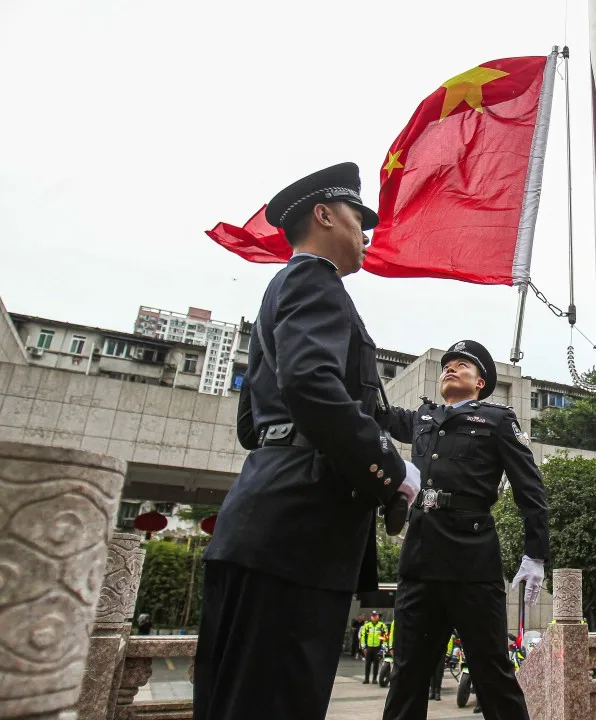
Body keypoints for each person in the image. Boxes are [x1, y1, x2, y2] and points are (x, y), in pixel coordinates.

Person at [194, 162, 422, 720]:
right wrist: (393, 470)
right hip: (297, 534)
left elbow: (253, 423)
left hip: (263, 523)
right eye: (356, 219)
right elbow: (309, 383)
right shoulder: (314, 280)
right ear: (324, 215)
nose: (366, 234)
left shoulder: (283, 289)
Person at [378, 340, 549, 720]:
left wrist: (535, 553)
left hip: (471, 558)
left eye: (462, 365)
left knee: (491, 671)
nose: (450, 369)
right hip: (420, 559)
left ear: (480, 382)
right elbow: (378, 413)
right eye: (447, 365)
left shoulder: (497, 419)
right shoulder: (423, 417)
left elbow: (530, 488)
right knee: (408, 672)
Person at [362, 611, 389, 684]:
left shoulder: (382, 626)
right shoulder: (367, 625)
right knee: (367, 664)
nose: (374, 617)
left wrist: (383, 649)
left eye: (375, 615)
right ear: (371, 617)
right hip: (369, 647)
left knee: (376, 664)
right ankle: (366, 679)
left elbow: (385, 637)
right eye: (372, 616)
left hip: (378, 647)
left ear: (378, 616)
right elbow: (363, 636)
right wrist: (364, 647)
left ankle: (374, 679)